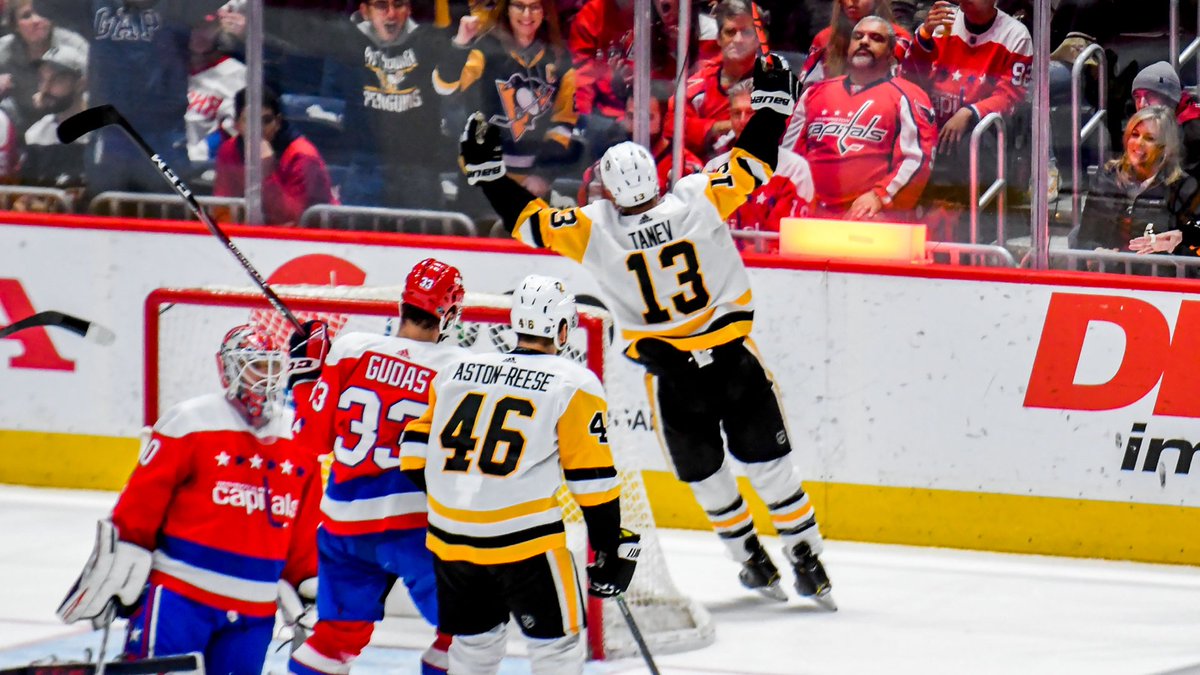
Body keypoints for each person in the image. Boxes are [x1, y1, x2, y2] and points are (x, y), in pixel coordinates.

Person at [459, 54, 834, 605]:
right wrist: (774, 103)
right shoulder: (698, 198)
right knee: (772, 464)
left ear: (607, 191)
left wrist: (490, 175)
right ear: (657, 179)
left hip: (673, 377)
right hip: (733, 360)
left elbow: (530, 221)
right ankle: (807, 558)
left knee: (705, 475)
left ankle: (750, 557)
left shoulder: (595, 230)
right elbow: (754, 159)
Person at [398, 274, 640, 675]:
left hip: (450, 542)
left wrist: (465, 504)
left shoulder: (457, 369)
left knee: (473, 647)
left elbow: (412, 458)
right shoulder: (573, 382)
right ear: (563, 329)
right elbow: (592, 480)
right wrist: (609, 547)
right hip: (526, 545)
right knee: (557, 650)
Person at [56, 324, 321, 674]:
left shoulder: (299, 433)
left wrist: (308, 583)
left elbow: (304, 525)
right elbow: (142, 500)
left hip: (255, 607)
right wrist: (124, 554)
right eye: (257, 365)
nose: (266, 378)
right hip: (180, 596)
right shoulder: (190, 421)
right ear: (227, 367)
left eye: (274, 367)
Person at [287, 258, 467, 675]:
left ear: (402, 303)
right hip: (414, 530)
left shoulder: (351, 349)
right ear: (450, 313)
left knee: (333, 640)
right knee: (467, 634)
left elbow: (311, 440)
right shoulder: (456, 369)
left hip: (342, 527)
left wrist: (304, 380)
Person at [900, 0, 1032, 242]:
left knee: (972, 142)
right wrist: (925, 36)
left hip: (980, 133)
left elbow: (1010, 96)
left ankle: (969, 230)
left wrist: (970, 112)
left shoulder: (1016, 35)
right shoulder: (941, 25)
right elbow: (908, 76)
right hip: (931, 123)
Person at [783, 16, 936, 221]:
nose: (864, 42)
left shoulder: (909, 97)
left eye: (876, 38)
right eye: (858, 37)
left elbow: (918, 159)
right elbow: (788, 153)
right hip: (809, 209)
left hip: (870, 215)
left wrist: (879, 196)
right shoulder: (815, 93)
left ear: (891, 54)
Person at [434, 0, 582, 199]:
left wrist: (543, 174)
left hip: (531, 184)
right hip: (480, 176)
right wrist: (461, 43)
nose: (527, 14)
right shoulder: (486, 48)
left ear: (545, 11)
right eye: (519, 6)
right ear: (507, 9)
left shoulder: (560, 59)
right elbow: (445, 86)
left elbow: (562, 126)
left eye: (534, 7)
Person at [1073, 106, 1200, 253]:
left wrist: (1179, 241)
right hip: (1110, 272)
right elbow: (1084, 238)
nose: (1138, 143)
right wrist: (1096, 253)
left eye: (1149, 138)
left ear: (1165, 148)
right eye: (1135, 134)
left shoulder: (1184, 187)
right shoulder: (1106, 178)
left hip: (1157, 273)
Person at [706, 79, 813, 251]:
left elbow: (784, 243)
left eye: (751, 113)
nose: (743, 121)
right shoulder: (713, 168)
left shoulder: (794, 170)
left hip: (772, 272)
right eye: (736, 113)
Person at [214, 87, 338, 226]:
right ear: (237, 125)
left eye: (266, 120)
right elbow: (223, 208)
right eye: (249, 121)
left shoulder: (302, 155)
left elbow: (295, 218)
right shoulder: (229, 150)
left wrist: (266, 176)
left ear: (278, 122)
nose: (258, 129)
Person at [577, 81, 704, 205]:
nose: (637, 126)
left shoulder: (686, 167)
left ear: (664, 119)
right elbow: (593, 219)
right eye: (631, 117)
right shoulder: (604, 168)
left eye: (646, 118)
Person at [663, 0, 760, 161]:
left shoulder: (776, 83)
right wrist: (718, 127)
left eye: (746, 32)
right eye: (730, 32)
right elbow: (671, 126)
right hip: (704, 176)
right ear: (719, 39)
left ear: (758, 40)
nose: (738, 39)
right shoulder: (698, 84)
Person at [0, 0, 87, 133]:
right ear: (15, 25)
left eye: (41, 14)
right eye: (26, 16)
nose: (36, 20)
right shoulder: (4, 51)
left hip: (71, 126)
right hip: (22, 129)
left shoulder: (75, 46)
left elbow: (95, 88)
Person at [20, 43, 87, 190]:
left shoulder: (102, 133)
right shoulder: (36, 134)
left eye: (57, 80)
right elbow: (25, 192)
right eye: (42, 79)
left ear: (80, 84)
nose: (45, 89)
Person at [186, 12, 245, 170]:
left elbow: (234, 128)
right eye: (194, 27)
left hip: (207, 169)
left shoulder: (235, 72)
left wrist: (201, 153)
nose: (199, 34)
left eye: (206, 27)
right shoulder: (167, 69)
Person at [801, 0, 911, 85]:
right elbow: (808, 90)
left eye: (875, 38)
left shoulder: (897, 38)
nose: (853, 0)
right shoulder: (825, 38)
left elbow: (906, 85)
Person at [1129, 61, 1200, 177]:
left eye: (1150, 95)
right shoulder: (1140, 131)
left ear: (1171, 98)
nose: (1142, 104)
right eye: (1137, 97)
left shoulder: (1193, 131)